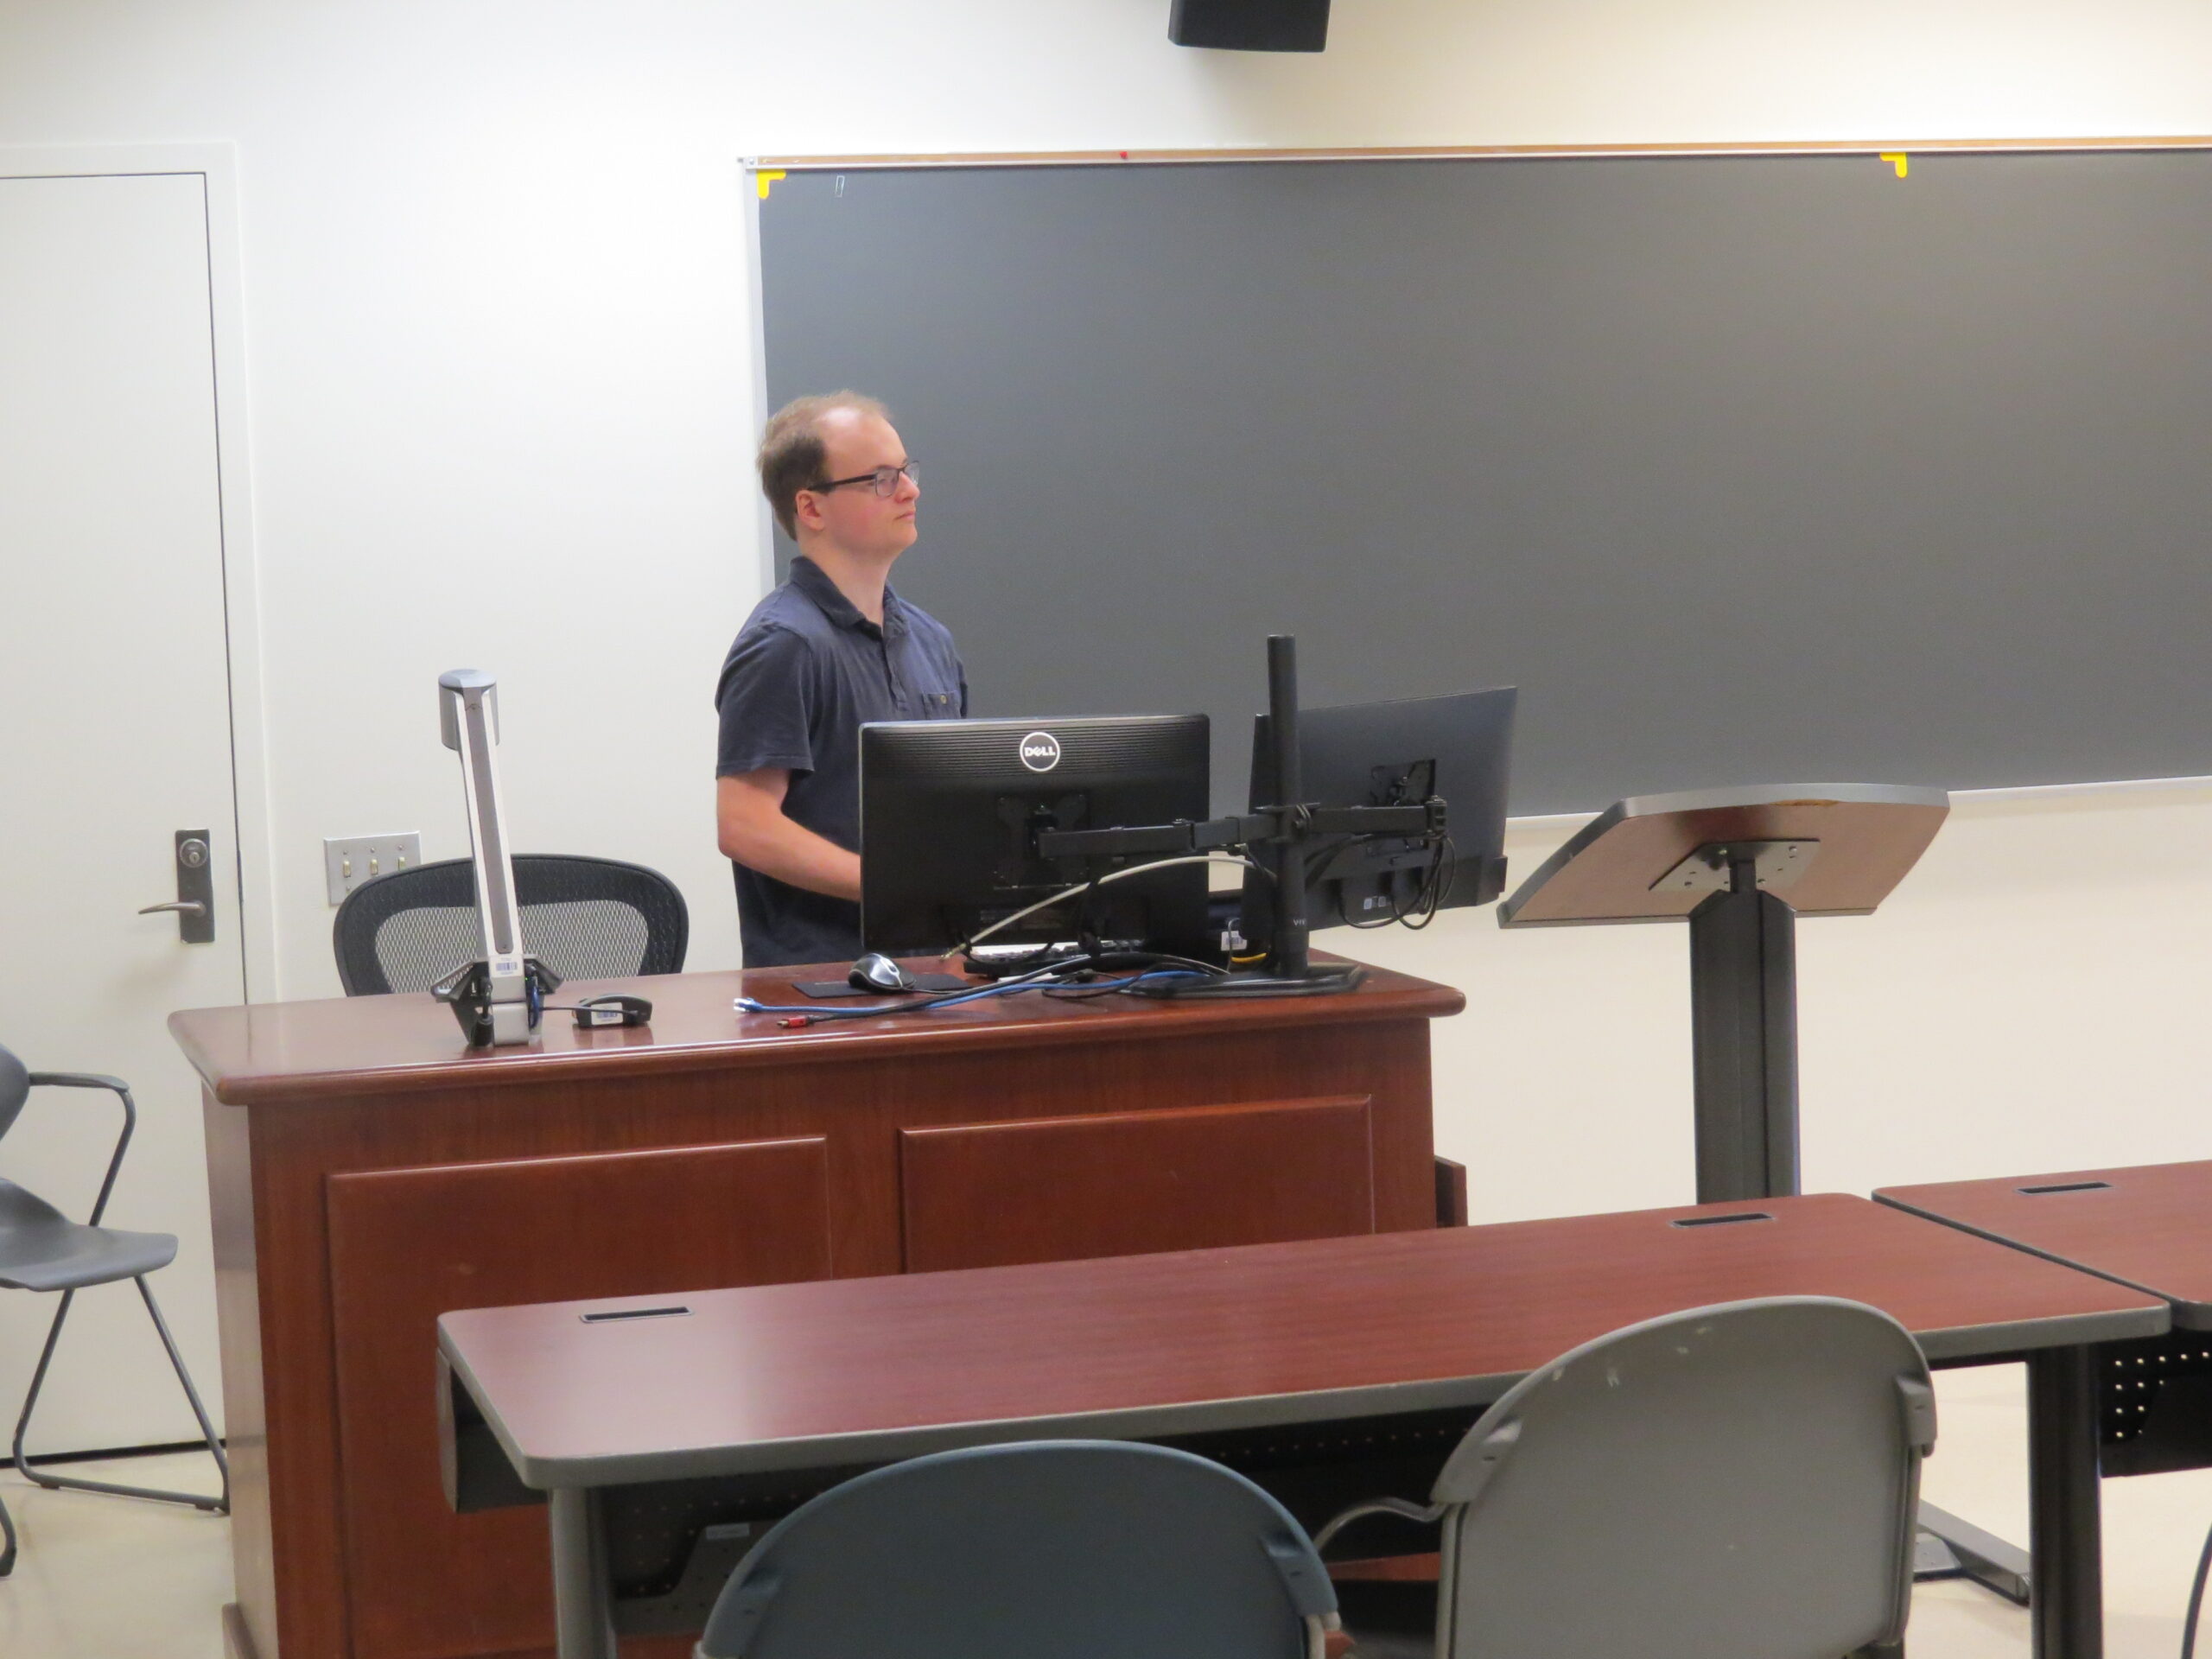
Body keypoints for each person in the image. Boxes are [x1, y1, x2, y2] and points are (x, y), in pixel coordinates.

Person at [715, 392, 967, 967]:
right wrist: (899, 888)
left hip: (937, 970)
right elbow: (745, 825)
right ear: (812, 508)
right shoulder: (784, 644)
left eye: (906, 471)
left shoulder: (932, 641)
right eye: (881, 479)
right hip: (825, 983)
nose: (910, 491)